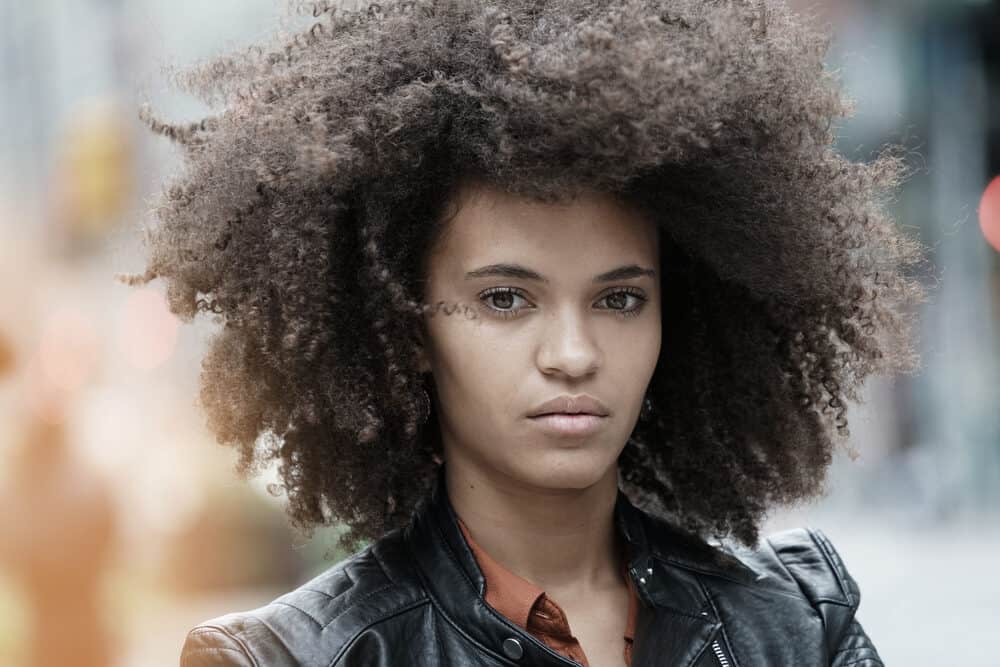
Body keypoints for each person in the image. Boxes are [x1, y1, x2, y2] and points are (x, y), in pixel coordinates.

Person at [122, 0, 928, 664]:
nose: (574, 354)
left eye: (619, 300)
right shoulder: (292, 658)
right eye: (507, 299)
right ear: (403, 329)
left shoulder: (796, 625)